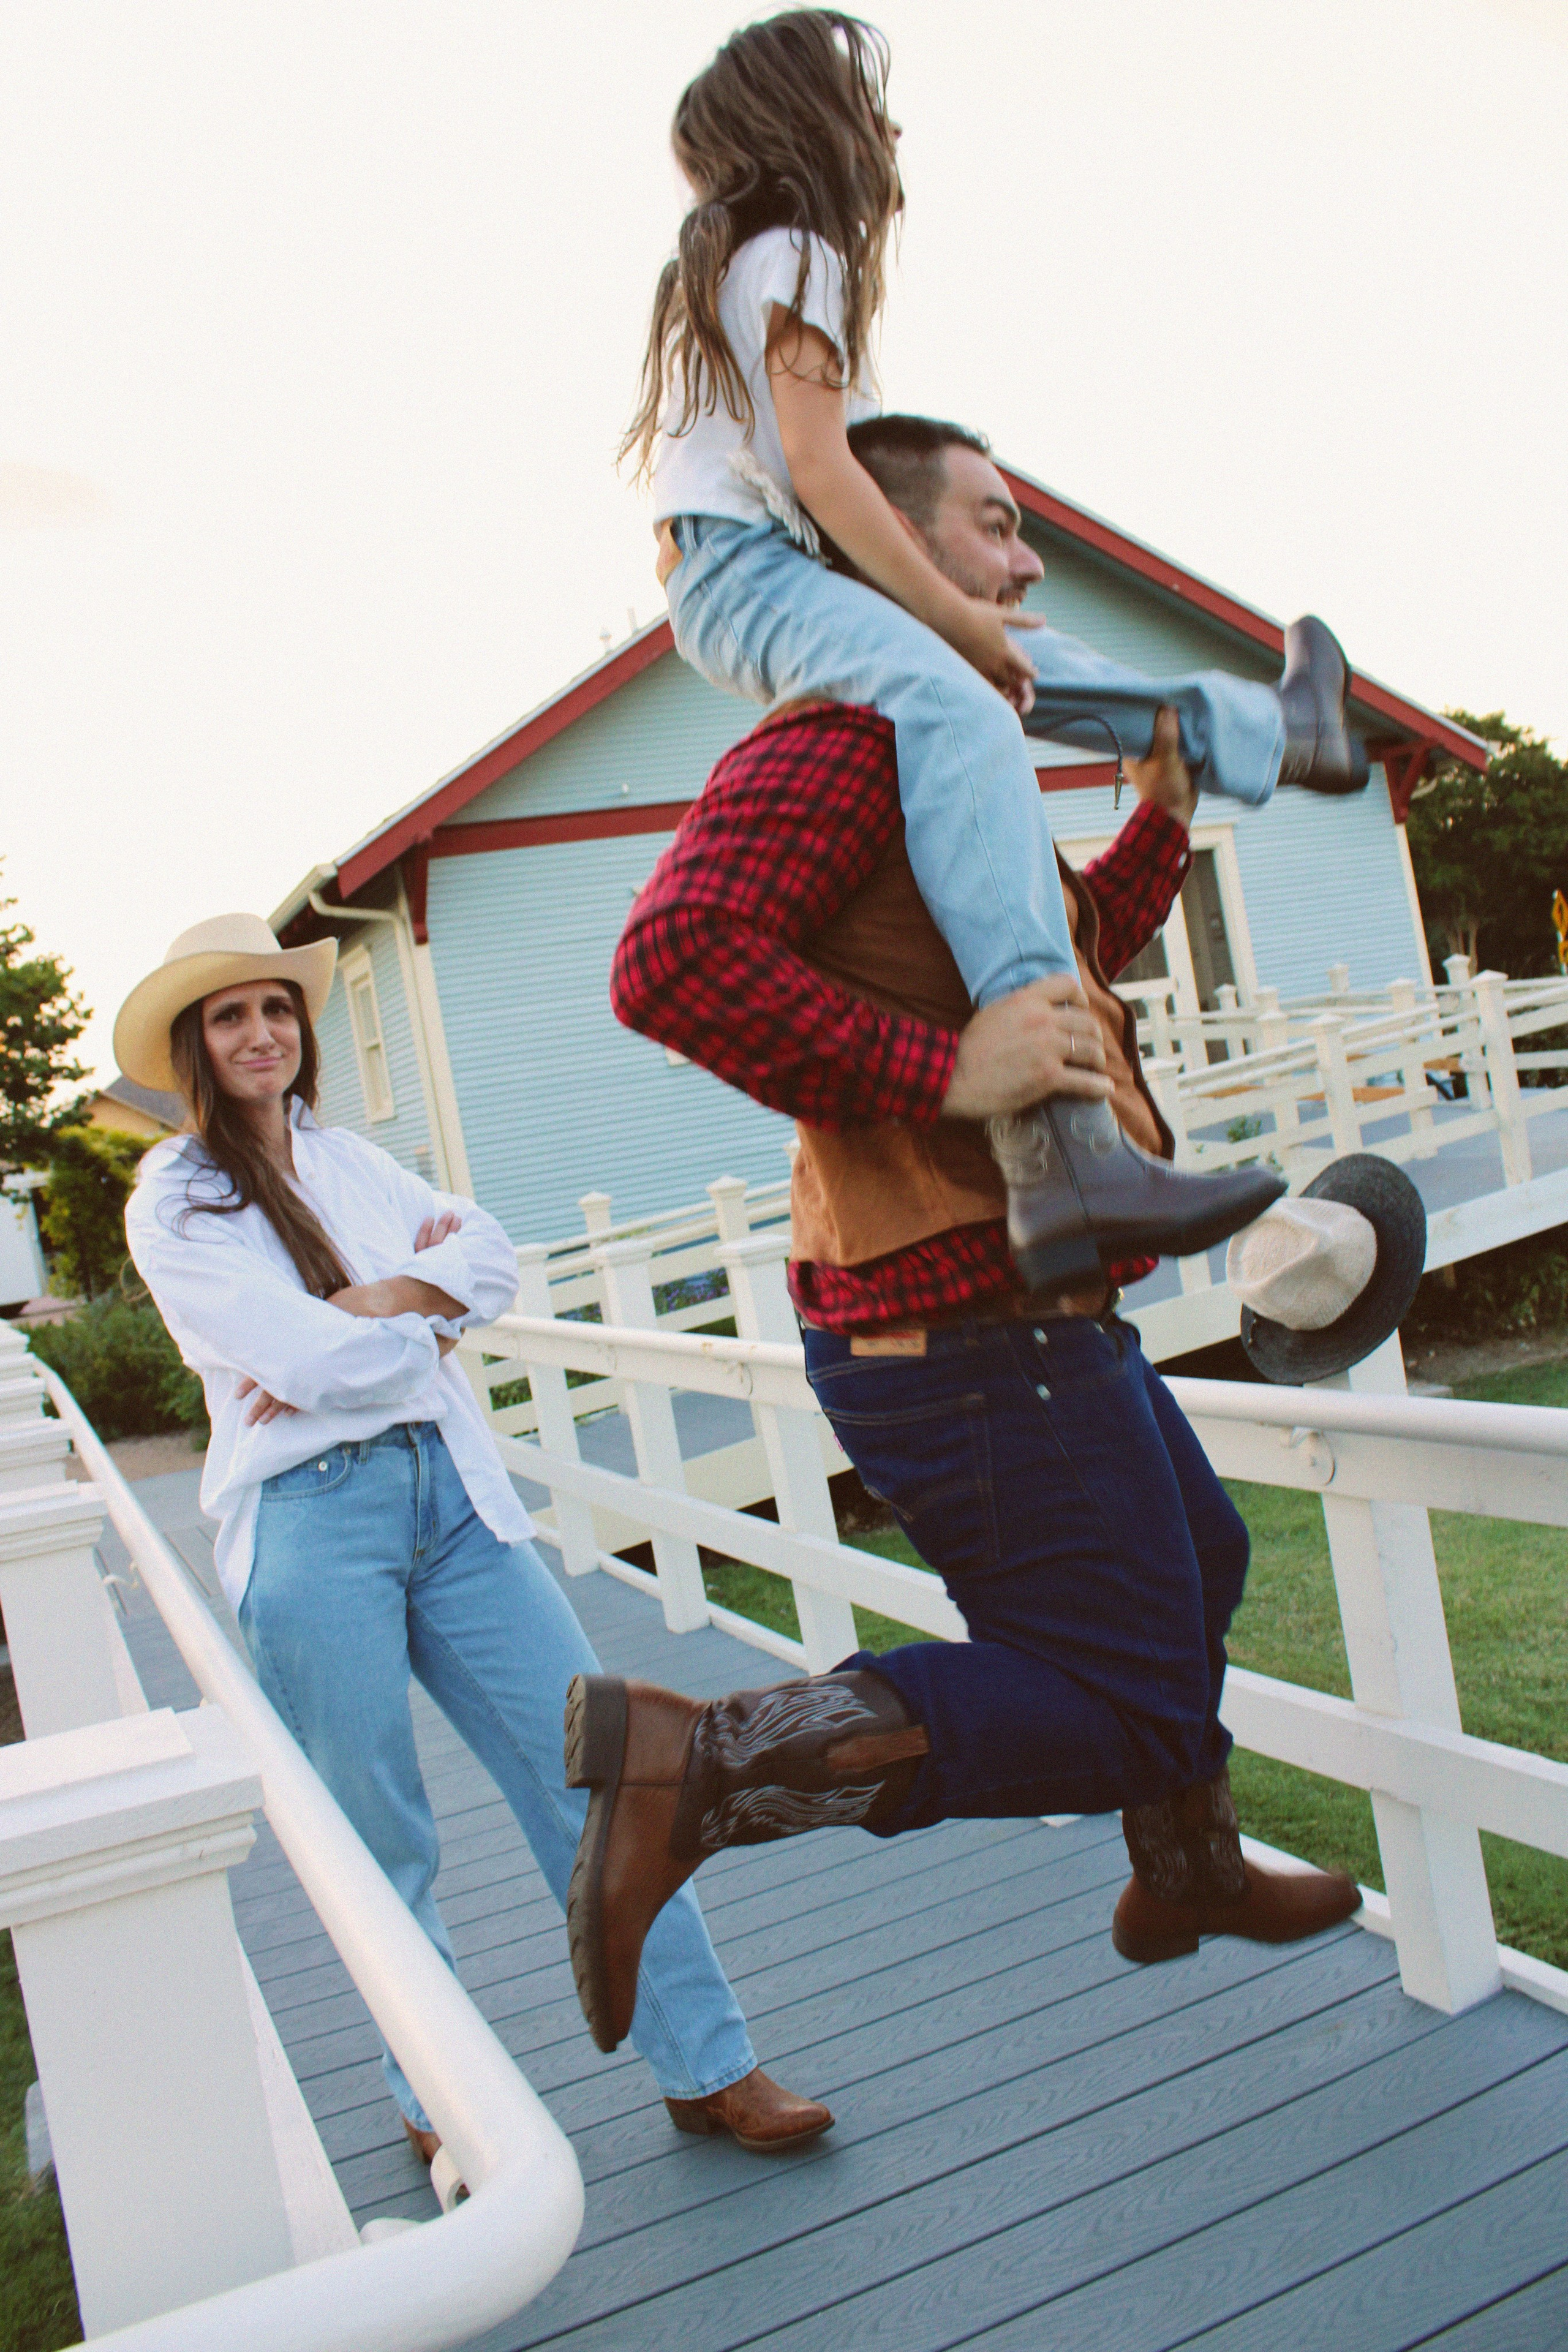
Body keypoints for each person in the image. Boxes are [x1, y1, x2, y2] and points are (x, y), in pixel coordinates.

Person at [562, 418, 1363, 2056]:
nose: (1030, 567)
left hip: (1026, 1312)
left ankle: (1189, 1862)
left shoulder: (951, 762)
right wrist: (945, 1070)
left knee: (1201, 1560)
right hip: (961, 1324)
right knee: (1120, 1697)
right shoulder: (852, 737)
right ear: (893, 557)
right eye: (996, 530)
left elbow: (1054, 955)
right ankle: (697, 1765)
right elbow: (673, 960)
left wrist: (1156, 817)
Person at [632, 8, 1362, 1291]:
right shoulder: (795, 251)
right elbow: (818, 471)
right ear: (813, 125)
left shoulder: (757, 267)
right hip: (750, 567)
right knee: (969, 700)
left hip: (748, 567)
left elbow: (1076, 906)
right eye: (874, 102)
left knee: (1022, 668)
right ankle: (1061, 1144)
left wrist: (1143, 791)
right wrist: (955, 619)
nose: (895, 128)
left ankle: (1262, 732)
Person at [115, 914, 833, 2158]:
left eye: (275, 1009)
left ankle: (708, 2064)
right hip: (308, 1519)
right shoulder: (174, 1202)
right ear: (193, 1043)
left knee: (605, 1776)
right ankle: (433, 2100)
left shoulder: (353, 1163)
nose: (260, 1033)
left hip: (448, 1497)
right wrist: (422, 1322)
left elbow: (492, 1258)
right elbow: (295, 1357)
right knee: (382, 1833)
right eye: (228, 1016)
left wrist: (382, 1301)